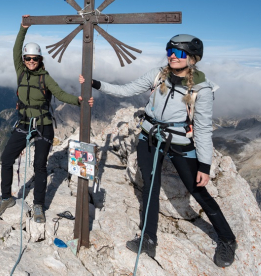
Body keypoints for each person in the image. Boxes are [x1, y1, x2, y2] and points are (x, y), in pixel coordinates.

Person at [85, 34, 238, 268]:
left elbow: (204, 129)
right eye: (170, 51)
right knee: (150, 187)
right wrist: (97, 84)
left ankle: (227, 239)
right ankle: (148, 238)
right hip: (149, 138)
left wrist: (205, 165)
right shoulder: (158, 75)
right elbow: (128, 90)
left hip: (179, 143)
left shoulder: (202, 89)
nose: (172, 56)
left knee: (197, 190)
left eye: (179, 52)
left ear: (193, 58)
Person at [0, 15, 93, 223]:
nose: (30, 62)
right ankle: (5, 198)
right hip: (23, 123)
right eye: (27, 58)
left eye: (34, 59)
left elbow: (61, 94)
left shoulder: (45, 78)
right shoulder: (20, 71)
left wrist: (79, 101)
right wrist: (23, 28)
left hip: (44, 125)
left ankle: (38, 205)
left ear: (40, 60)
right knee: (7, 158)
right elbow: (15, 49)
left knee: (40, 166)